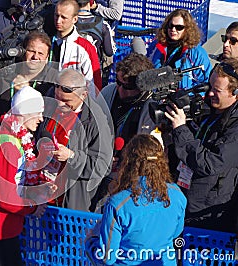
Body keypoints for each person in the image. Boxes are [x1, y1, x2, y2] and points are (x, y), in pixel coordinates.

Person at [86, 134, 186, 265]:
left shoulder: (117, 203)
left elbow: (107, 257)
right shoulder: (177, 194)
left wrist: (90, 242)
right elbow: (175, 234)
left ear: (128, 163)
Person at [165, 58, 238, 233]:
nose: (209, 94)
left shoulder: (235, 128)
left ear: (235, 93)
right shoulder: (208, 110)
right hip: (183, 197)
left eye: (216, 90)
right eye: (209, 86)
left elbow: (210, 164)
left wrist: (181, 129)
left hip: (207, 214)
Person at [0, 85, 48, 266]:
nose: (41, 118)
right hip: (0, 222)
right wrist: (32, 208)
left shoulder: (12, 135)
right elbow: (6, 196)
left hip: (4, 221)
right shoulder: (8, 143)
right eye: (38, 112)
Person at [36, 68, 113, 212]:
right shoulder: (50, 105)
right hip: (43, 197)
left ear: (83, 95)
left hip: (71, 202)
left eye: (66, 101)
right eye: (57, 98)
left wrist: (71, 157)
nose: (59, 104)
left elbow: (103, 166)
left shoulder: (95, 121)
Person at [93, 53, 157, 210]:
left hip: (133, 172)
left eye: (127, 87)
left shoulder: (152, 107)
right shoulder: (109, 92)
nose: (121, 90)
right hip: (104, 165)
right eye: (118, 83)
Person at [0, 31, 56, 146]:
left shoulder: (50, 85)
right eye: (31, 51)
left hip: (33, 145)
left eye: (41, 53)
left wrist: (24, 93)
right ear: (23, 52)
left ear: (47, 58)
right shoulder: (6, 77)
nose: (35, 57)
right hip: (4, 142)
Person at [151, 8, 212, 90]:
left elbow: (205, 82)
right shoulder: (157, 46)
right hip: (157, 96)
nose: (173, 30)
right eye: (170, 26)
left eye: (179, 27)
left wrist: (184, 98)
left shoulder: (197, 52)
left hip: (184, 99)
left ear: (187, 29)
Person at [52, 0, 102, 95]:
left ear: (75, 19)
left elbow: (94, 83)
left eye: (64, 17)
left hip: (75, 103)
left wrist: (90, 107)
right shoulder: (49, 42)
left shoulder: (85, 47)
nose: (58, 21)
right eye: (56, 15)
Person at [76, 0, 116, 87]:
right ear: (91, 2)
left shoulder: (69, 22)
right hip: (93, 70)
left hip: (72, 69)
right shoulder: (102, 24)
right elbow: (110, 51)